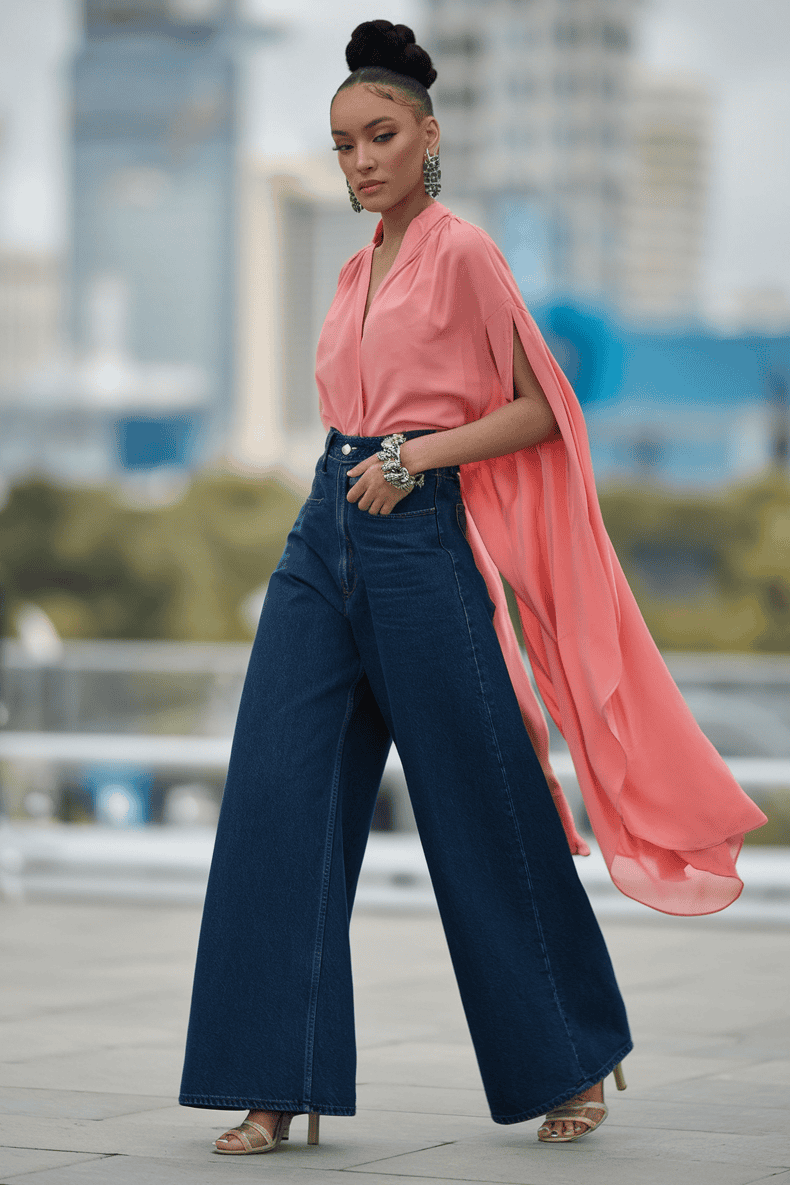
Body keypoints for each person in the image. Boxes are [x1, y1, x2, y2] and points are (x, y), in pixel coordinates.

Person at [179, 19, 767, 1156]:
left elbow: (542, 405)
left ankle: (574, 1054)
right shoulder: (355, 268)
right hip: (324, 530)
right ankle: (271, 1080)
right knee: (274, 798)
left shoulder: (462, 252)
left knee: (479, 805)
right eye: (343, 142)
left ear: (428, 134)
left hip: (419, 535)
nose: (359, 160)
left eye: (381, 135)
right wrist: (363, 470)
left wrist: (415, 459)